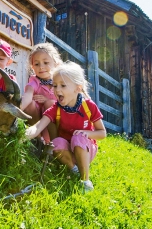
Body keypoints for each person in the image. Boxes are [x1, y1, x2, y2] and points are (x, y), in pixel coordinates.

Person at [25, 61, 107, 192]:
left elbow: (102, 133)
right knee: (56, 142)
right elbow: (38, 127)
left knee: (78, 138)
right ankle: (74, 169)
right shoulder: (55, 109)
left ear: (77, 88)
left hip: (85, 149)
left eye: (63, 86)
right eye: (55, 85)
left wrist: (88, 134)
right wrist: (22, 135)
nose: (57, 90)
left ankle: (85, 180)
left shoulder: (88, 106)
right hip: (66, 150)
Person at [20, 43, 63, 144]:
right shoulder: (34, 81)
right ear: (32, 67)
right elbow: (27, 96)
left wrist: (49, 101)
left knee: (50, 104)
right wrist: (16, 110)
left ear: (56, 63)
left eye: (46, 62)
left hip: (57, 125)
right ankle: (38, 141)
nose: (41, 67)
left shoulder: (61, 81)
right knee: (29, 103)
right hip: (38, 124)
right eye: (37, 64)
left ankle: (55, 143)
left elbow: (67, 103)